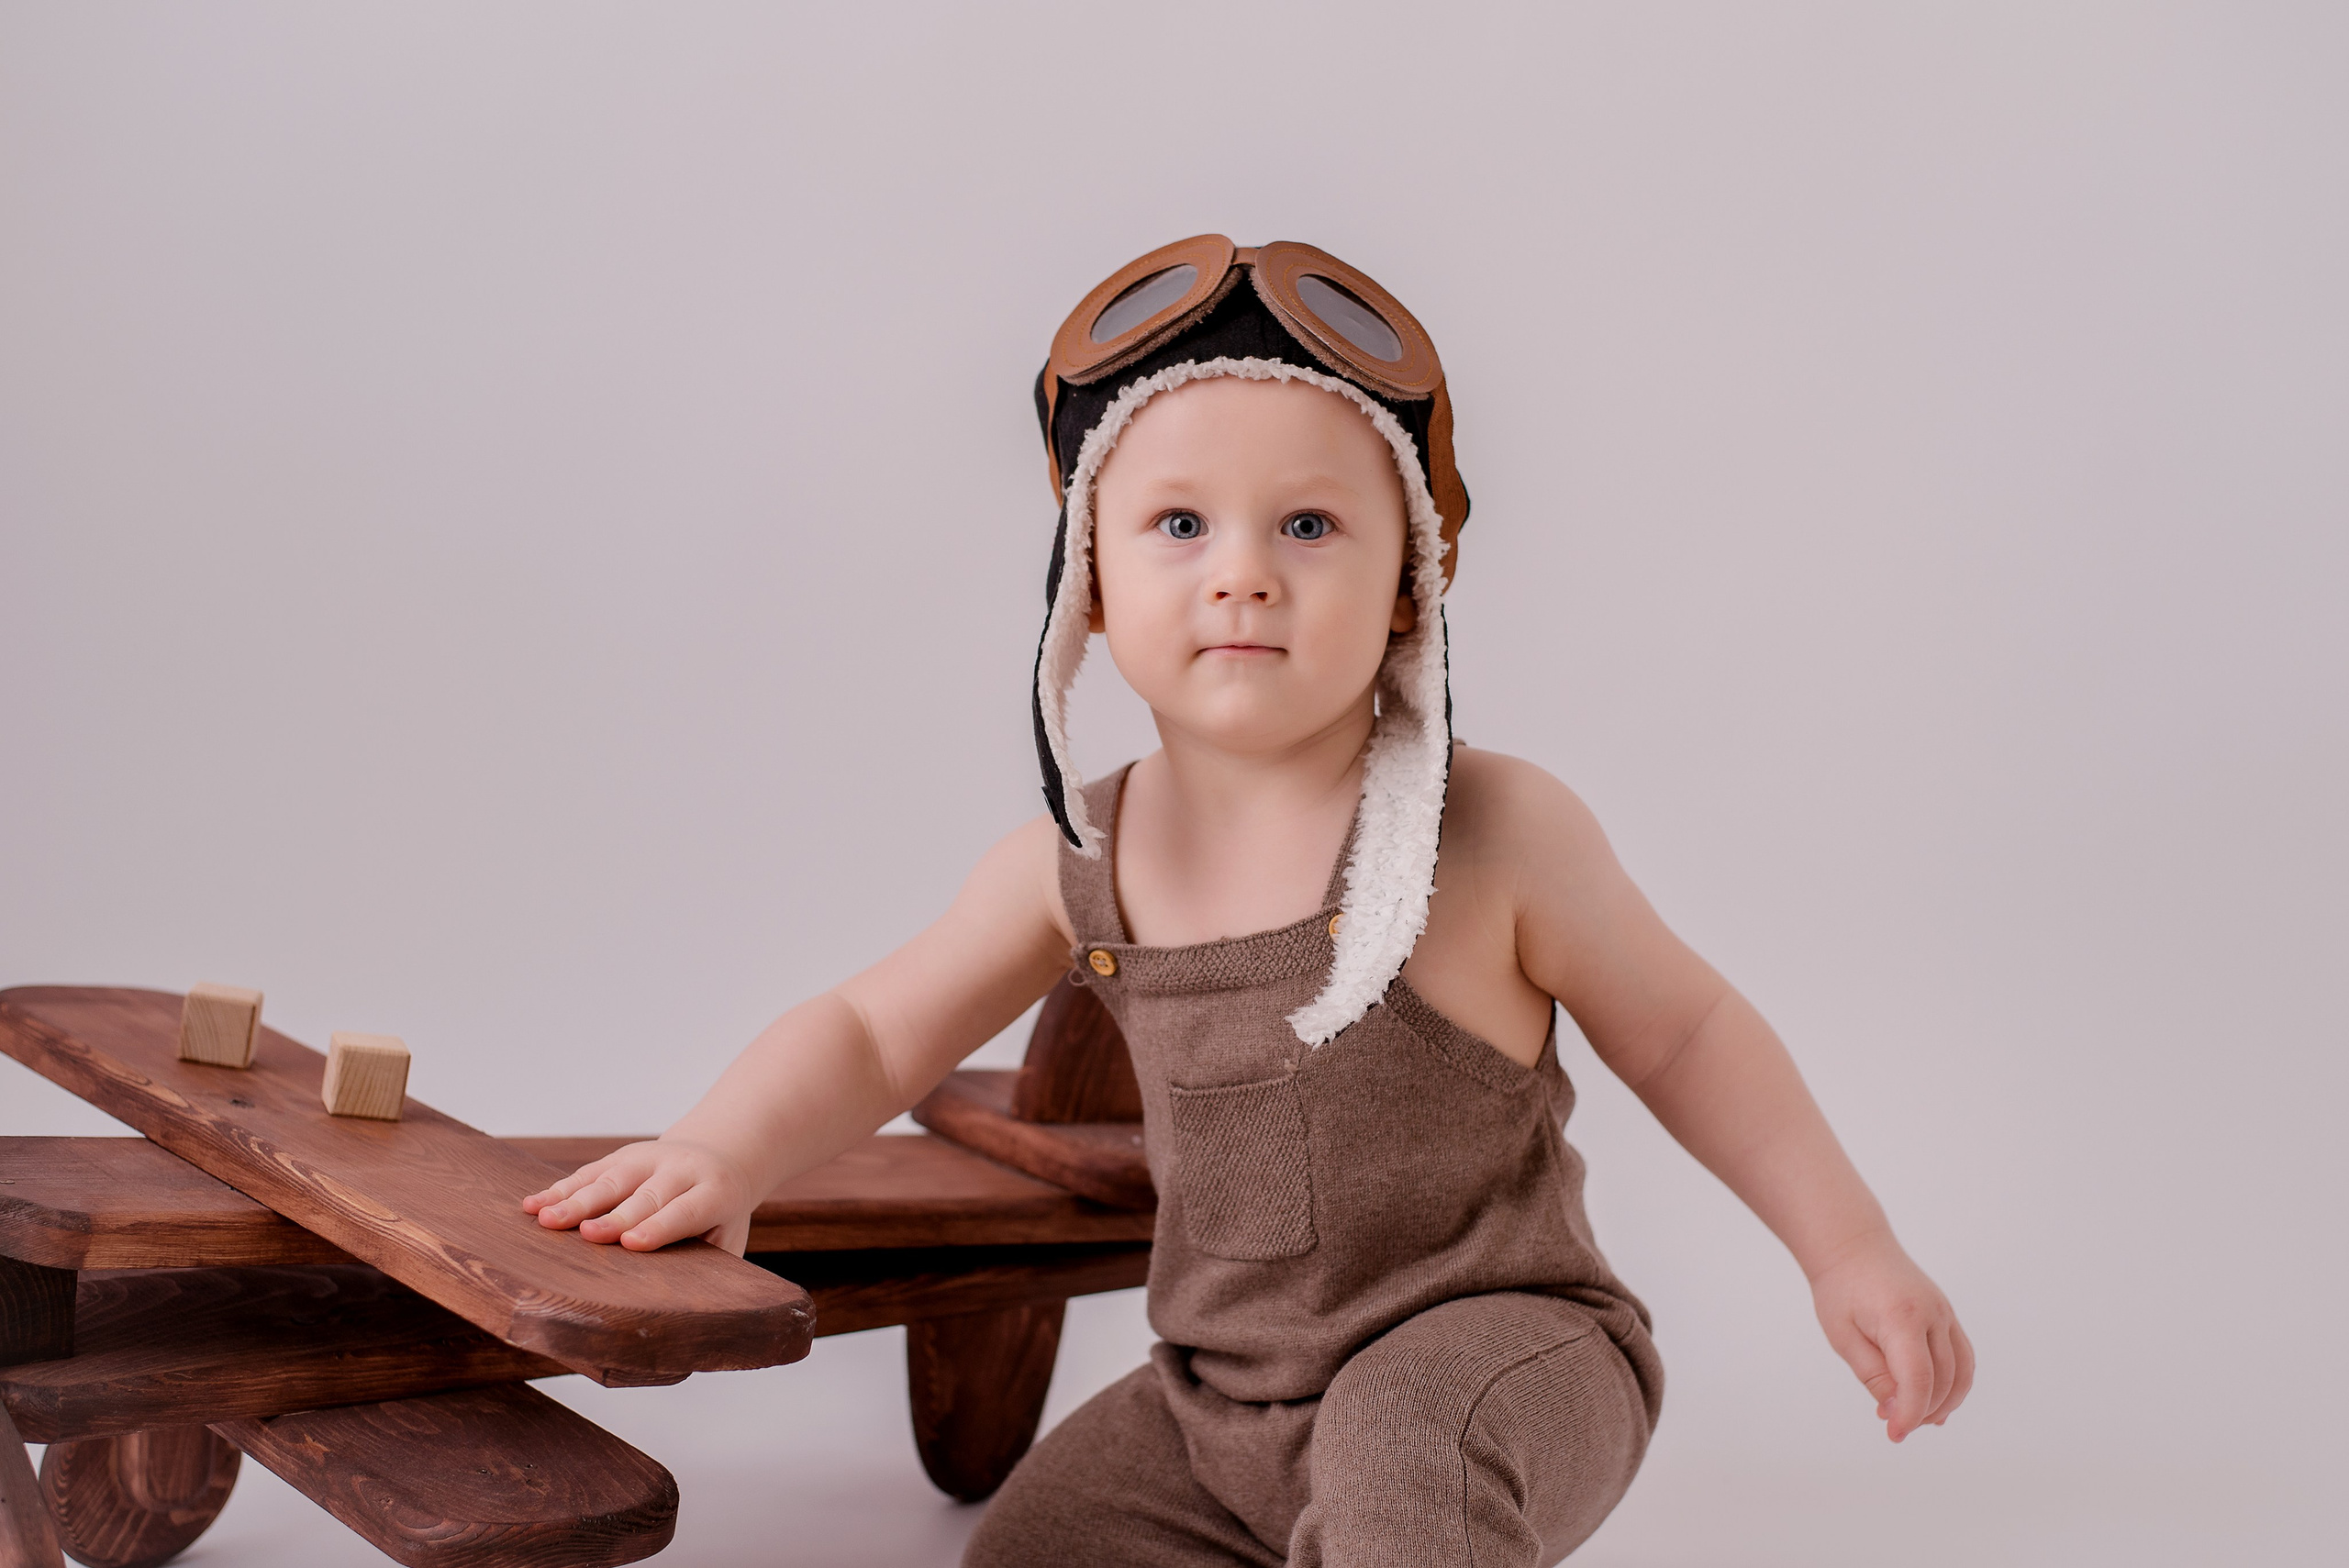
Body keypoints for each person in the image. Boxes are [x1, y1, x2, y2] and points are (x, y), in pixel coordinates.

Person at [522, 236, 1973, 1565]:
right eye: (1179, 523)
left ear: (1410, 583)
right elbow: (869, 1029)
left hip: (1503, 1354)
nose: (1243, 577)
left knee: (1404, 1451)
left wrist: (1848, 1247)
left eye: (1309, 525)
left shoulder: (1492, 832)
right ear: (1089, 581)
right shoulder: (1078, 857)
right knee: (1030, 1554)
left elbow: (1689, 1033)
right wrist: (725, 1148)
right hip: (1220, 1403)